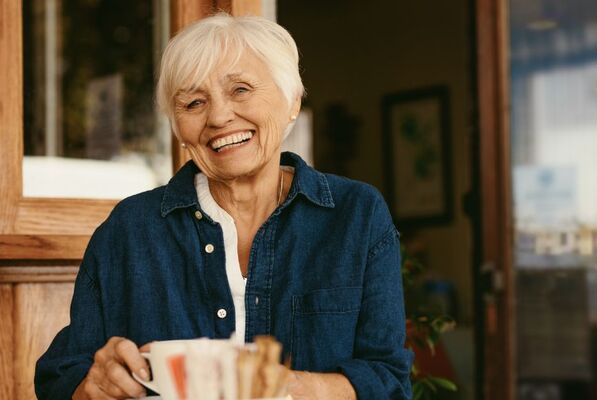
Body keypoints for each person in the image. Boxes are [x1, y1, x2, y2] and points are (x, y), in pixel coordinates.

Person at [35, 13, 412, 400]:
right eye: (194, 102)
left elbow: (388, 380)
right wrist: (93, 386)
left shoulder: (356, 216)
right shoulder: (129, 230)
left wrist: (293, 388)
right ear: (178, 127)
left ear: (292, 101)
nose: (218, 117)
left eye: (241, 90)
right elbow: (60, 379)